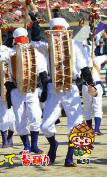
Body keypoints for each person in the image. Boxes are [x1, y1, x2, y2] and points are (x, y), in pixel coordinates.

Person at [29, 13, 97, 167]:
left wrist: (90, 82)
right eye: (54, 30)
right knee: (45, 126)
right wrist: (35, 22)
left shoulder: (75, 44)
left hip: (71, 87)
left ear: (66, 30)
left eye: (60, 30)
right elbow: (34, 41)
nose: (57, 33)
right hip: (53, 87)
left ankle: (69, 157)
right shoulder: (48, 47)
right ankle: (53, 144)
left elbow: (84, 66)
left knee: (76, 123)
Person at [0, 27, 48, 154]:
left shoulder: (35, 53)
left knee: (35, 116)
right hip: (16, 90)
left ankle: (34, 145)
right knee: (20, 119)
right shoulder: (11, 53)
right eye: (19, 39)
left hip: (31, 89)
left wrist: (45, 87)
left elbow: (42, 71)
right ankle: (26, 146)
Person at [82, 45, 107, 135]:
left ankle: (90, 129)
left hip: (86, 86)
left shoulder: (81, 61)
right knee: (97, 108)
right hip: (96, 85)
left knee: (87, 109)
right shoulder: (97, 59)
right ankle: (96, 128)